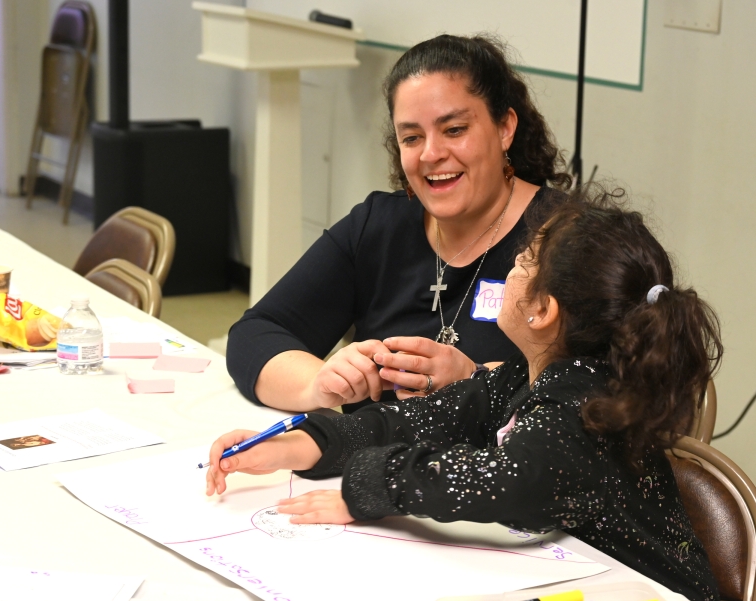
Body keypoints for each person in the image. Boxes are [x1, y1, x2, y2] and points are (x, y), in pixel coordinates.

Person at [206, 187, 724, 601]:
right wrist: (302, 442)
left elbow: (499, 482)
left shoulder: (580, 411)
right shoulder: (529, 375)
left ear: (542, 311)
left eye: (524, 263)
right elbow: (416, 421)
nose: (513, 266)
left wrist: (364, 487)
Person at [226, 34, 571, 413]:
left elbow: (609, 390)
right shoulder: (378, 226)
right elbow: (254, 335)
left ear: (504, 127)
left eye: (454, 130)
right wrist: (319, 383)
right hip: (365, 468)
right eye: (411, 137)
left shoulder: (570, 240)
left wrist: (478, 379)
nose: (431, 153)